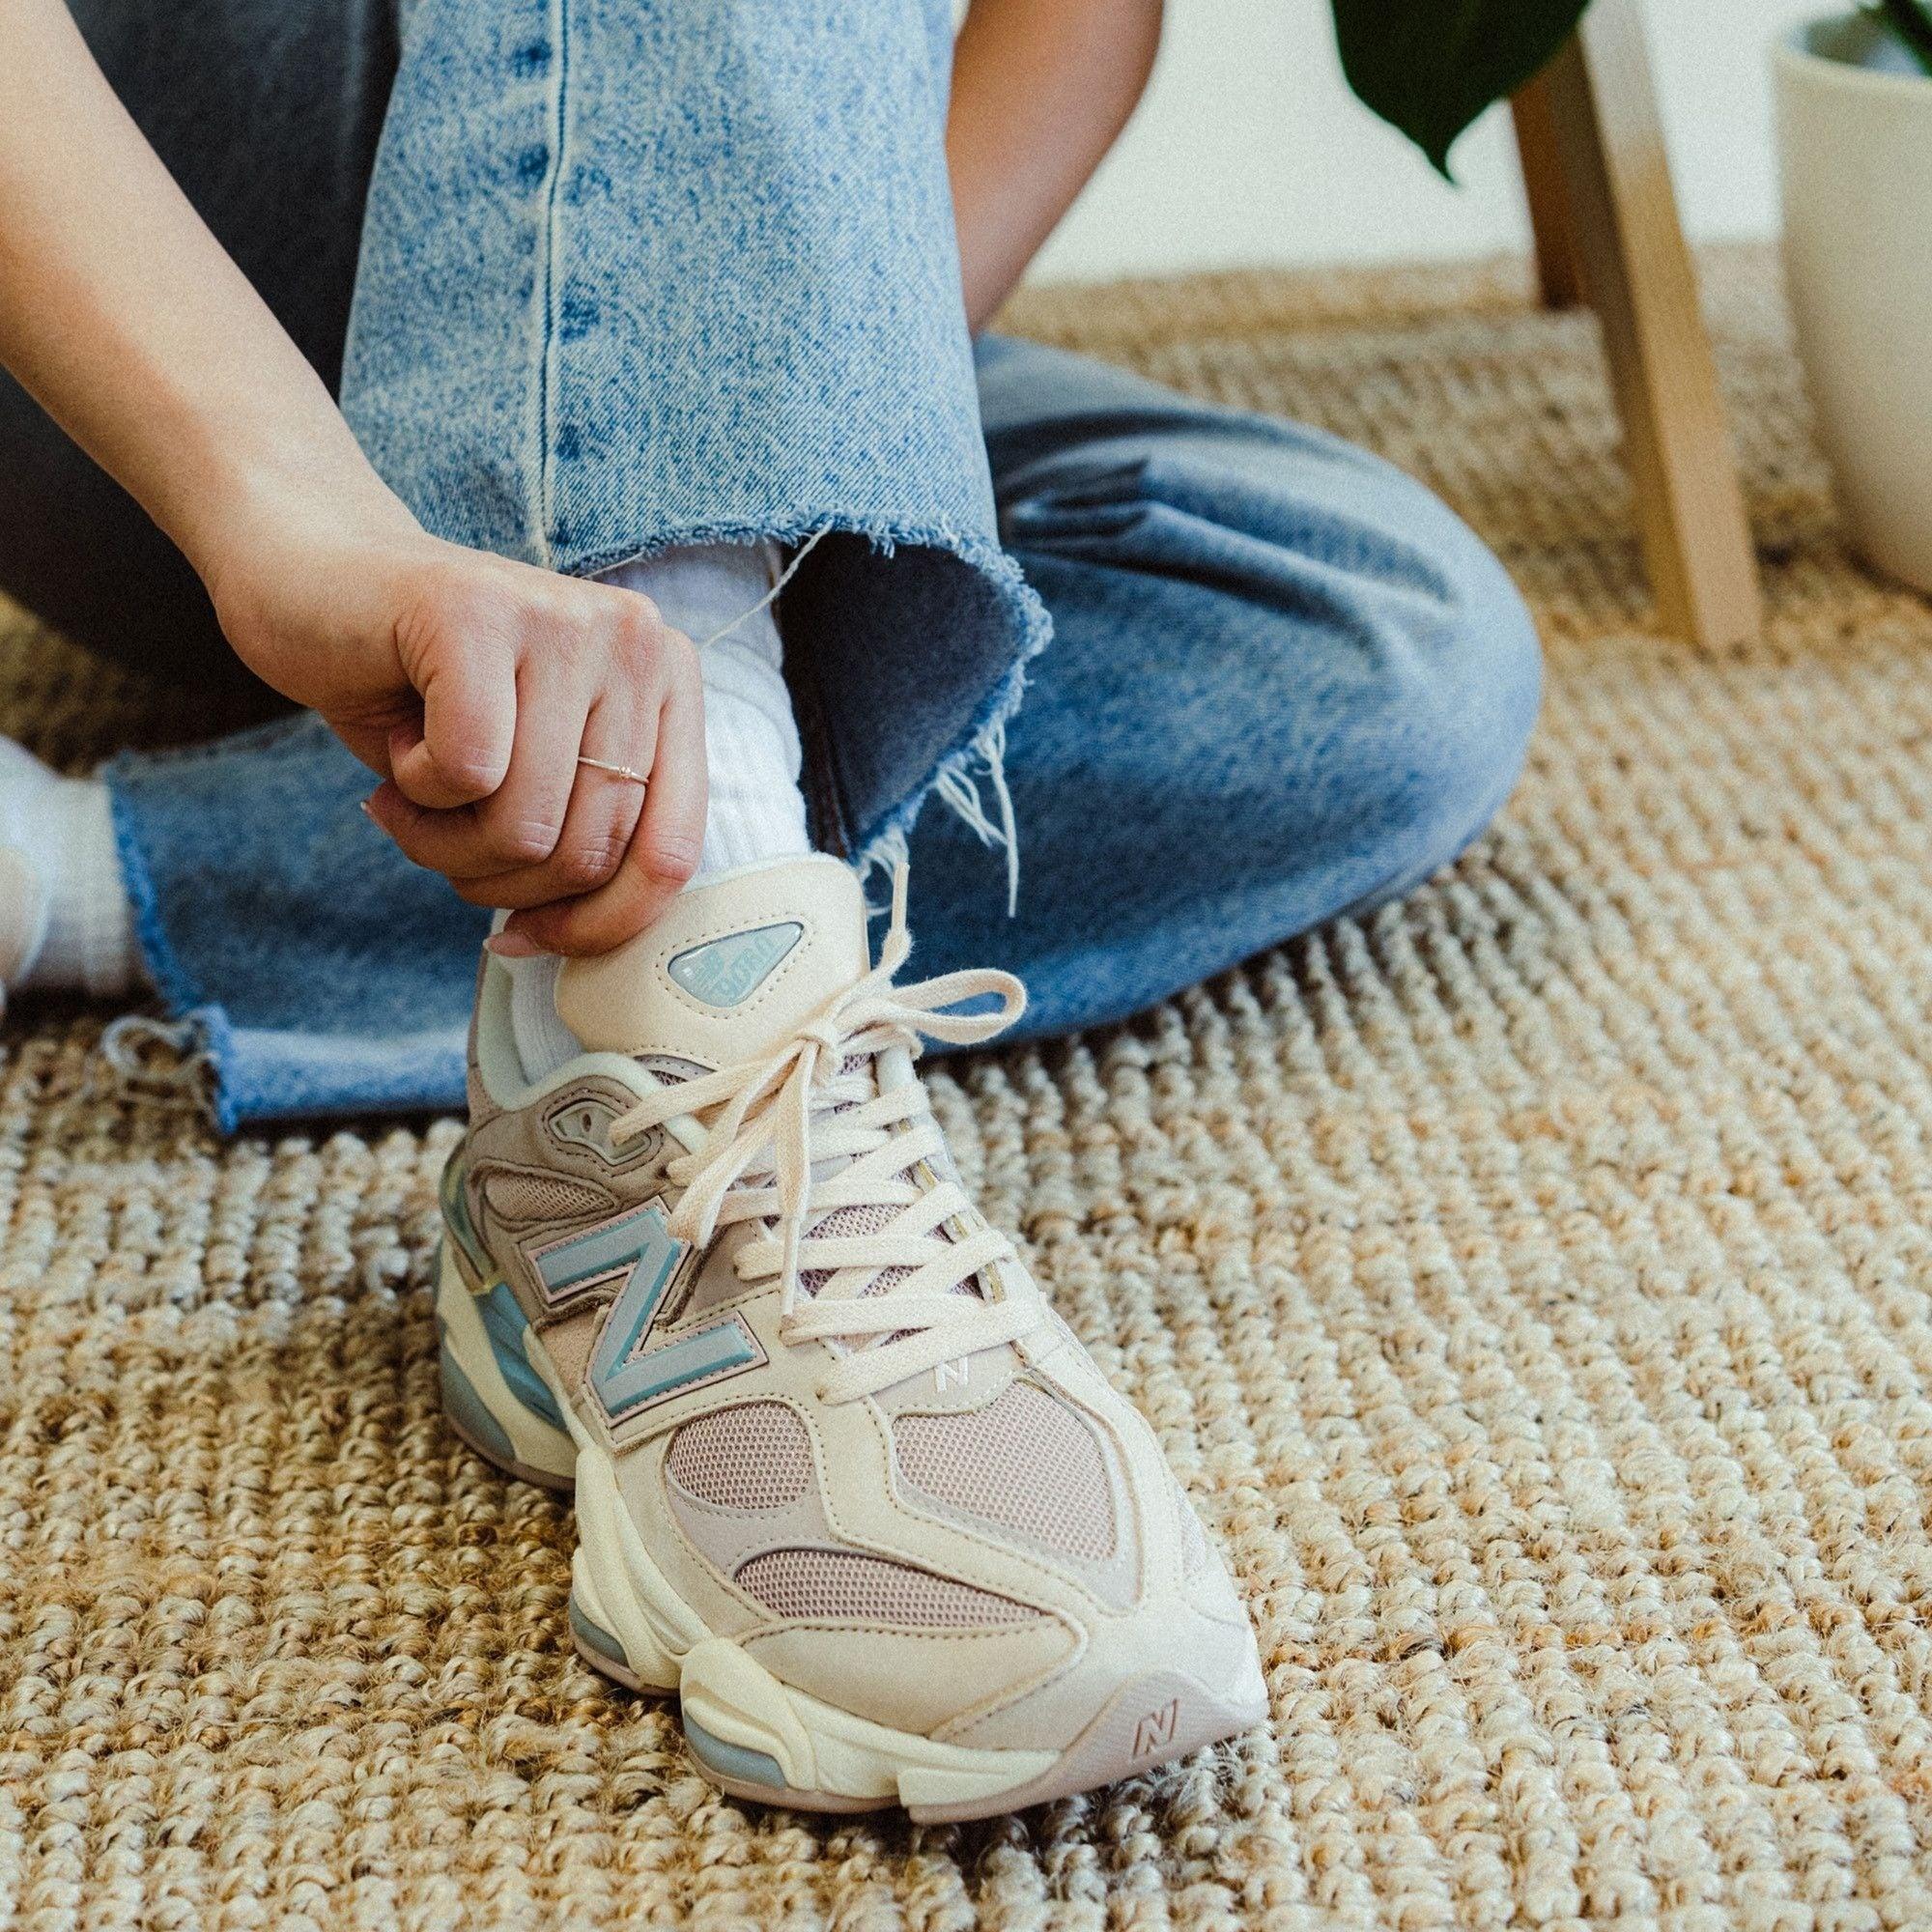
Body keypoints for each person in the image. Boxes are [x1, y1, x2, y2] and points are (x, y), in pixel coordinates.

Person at [0, 0, 1540, 1816]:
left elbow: (1074, 21)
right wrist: (290, 512)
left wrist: (765, 426)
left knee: (1387, 643)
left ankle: (102, 880)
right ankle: (685, 955)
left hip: (649, 192)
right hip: (118, 294)